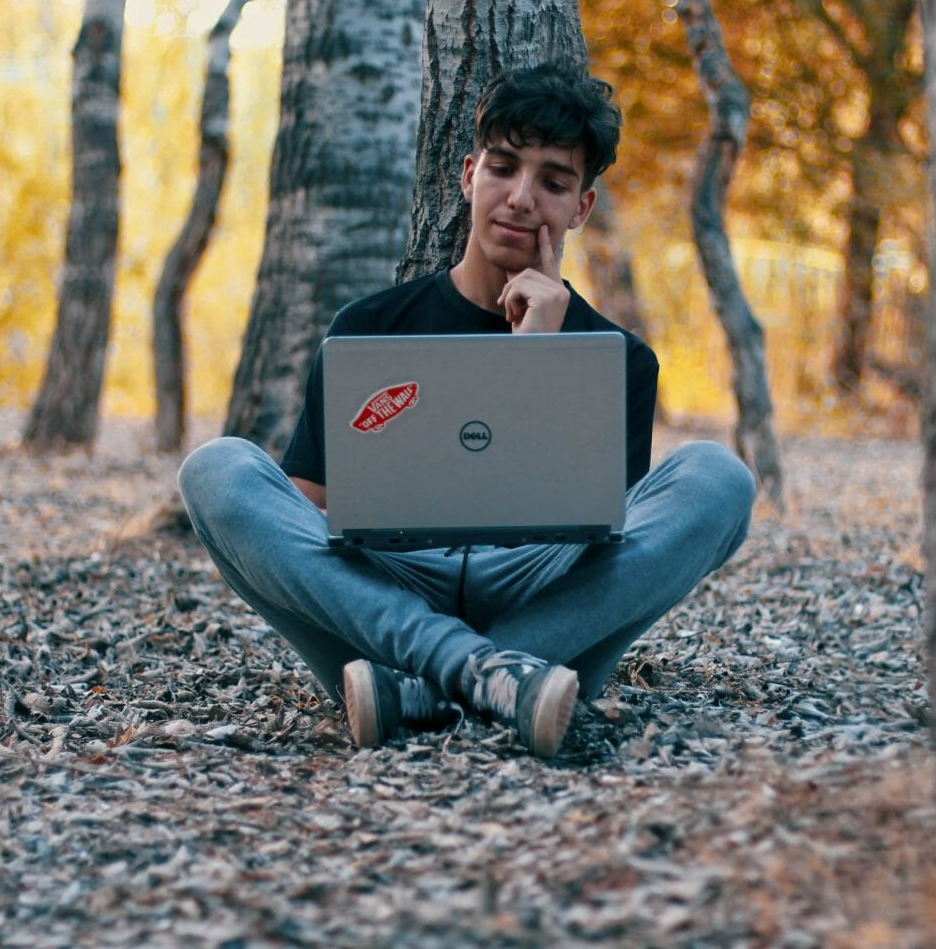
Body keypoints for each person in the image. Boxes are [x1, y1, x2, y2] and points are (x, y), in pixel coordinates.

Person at [178, 62, 755, 759]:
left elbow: (602, 548)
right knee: (216, 469)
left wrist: (539, 364)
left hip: (544, 604)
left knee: (720, 477)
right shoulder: (370, 329)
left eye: (552, 181)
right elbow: (303, 522)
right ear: (467, 176)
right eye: (503, 168)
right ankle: (486, 672)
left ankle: (424, 687)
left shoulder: (616, 360)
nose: (519, 198)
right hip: (391, 597)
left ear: (582, 208)